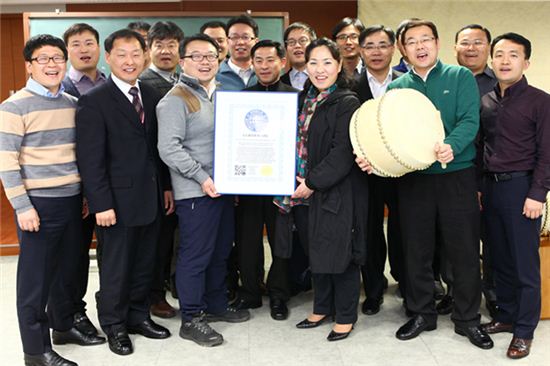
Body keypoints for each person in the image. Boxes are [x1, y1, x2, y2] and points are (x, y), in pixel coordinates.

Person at [357, 19, 493, 349]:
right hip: (414, 180)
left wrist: (452, 145)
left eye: (426, 40)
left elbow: (469, 121)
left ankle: (468, 319)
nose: (420, 46)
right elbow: (386, 135)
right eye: (412, 41)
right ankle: (421, 313)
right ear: (402, 49)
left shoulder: (459, 76)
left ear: (436, 43)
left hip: (456, 176)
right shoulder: (397, 87)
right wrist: (372, 159)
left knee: (462, 251)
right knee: (415, 251)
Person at [0, 34, 104, 366]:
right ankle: (36, 351)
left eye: (57, 58)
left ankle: (63, 327)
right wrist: (23, 207)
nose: (52, 65)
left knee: (70, 273)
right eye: (43, 59)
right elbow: (6, 163)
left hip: (73, 202)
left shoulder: (73, 105)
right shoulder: (14, 106)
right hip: (39, 206)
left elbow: (81, 155)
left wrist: (86, 194)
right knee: (36, 282)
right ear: (29, 66)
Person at [75, 29, 171, 356]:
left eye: (135, 54)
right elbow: (90, 160)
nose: (129, 61)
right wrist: (101, 203)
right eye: (121, 54)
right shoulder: (94, 101)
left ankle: (138, 316)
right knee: (116, 268)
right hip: (115, 203)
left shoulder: (152, 94)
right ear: (109, 57)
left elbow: (157, 150)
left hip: (152, 196)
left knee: (146, 263)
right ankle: (114, 325)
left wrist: (167, 188)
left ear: (145, 56)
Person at [157, 34, 250, 347]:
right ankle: (192, 317)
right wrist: (201, 178)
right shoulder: (175, 98)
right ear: (183, 61)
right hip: (197, 192)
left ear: (219, 59)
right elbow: (168, 148)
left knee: (221, 250)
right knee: (195, 255)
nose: (205, 61)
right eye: (196, 56)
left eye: (210, 55)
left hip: (224, 189)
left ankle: (215, 303)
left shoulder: (223, 94)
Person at [289, 38, 367, 342]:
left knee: (341, 253)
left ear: (338, 65)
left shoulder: (346, 101)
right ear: (305, 66)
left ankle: (345, 315)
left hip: (336, 189)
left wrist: (311, 183)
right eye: (313, 63)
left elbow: (342, 152)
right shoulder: (306, 98)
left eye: (327, 63)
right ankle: (321, 307)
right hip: (307, 189)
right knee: (317, 250)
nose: (320, 70)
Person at [479, 33, 550, 359]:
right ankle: (506, 316)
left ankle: (524, 330)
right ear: (492, 60)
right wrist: (480, 189)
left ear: (526, 62)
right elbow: (482, 148)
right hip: (490, 189)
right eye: (500, 55)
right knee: (499, 261)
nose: (505, 61)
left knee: (524, 265)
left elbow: (547, 154)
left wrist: (537, 194)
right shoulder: (486, 100)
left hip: (522, 190)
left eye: (513, 55)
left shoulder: (541, 101)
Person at [232, 40, 298, 321]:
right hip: (248, 184)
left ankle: (279, 295)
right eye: (258, 60)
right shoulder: (242, 99)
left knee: (281, 240)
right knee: (247, 239)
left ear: (282, 62)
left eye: (270, 60)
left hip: (282, 183)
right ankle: (249, 291)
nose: (264, 66)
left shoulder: (296, 96)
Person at [441, 24, 499, 318]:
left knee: (491, 237)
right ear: (454, 48)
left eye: (478, 42)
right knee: (455, 238)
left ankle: (492, 292)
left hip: (490, 173)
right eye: (465, 43)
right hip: (456, 172)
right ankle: (455, 292)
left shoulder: (500, 82)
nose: (471, 48)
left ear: (488, 47)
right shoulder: (448, 80)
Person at [353, 25, 404, 316]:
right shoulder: (350, 84)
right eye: (369, 46)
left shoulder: (407, 83)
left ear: (393, 48)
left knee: (404, 231)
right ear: (361, 50)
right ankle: (373, 290)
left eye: (382, 45)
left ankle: (407, 286)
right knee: (369, 232)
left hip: (402, 173)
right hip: (365, 173)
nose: (376, 51)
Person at [61, 22, 107, 338]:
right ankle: (72, 316)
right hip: (76, 187)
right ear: (67, 52)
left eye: (89, 42)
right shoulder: (60, 87)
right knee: (74, 256)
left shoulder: (110, 83)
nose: (83, 49)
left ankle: (111, 309)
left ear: (99, 47)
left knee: (111, 253)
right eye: (75, 44)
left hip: (109, 185)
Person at [139, 20, 184, 319]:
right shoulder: (143, 84)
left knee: (184, 239)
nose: (166, 51)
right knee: (159, 241)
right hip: (159, 178)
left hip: (190, 176)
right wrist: (165, 183)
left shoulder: (187, 80)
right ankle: (155, 295)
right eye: (159, 45)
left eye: (171, 45)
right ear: (149, 48)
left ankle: (179, 287)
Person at [216, 14, 258, 90]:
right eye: (234, 37)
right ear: (227, 41)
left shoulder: (265, 74)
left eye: (246, 37)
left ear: (256, 41)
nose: (240, 42)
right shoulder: (213, 76)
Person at [281, 22, 317, 90]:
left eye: (302, 40)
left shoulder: (324, 79)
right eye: (291, 42)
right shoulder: (280, 82)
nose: (297, 46)